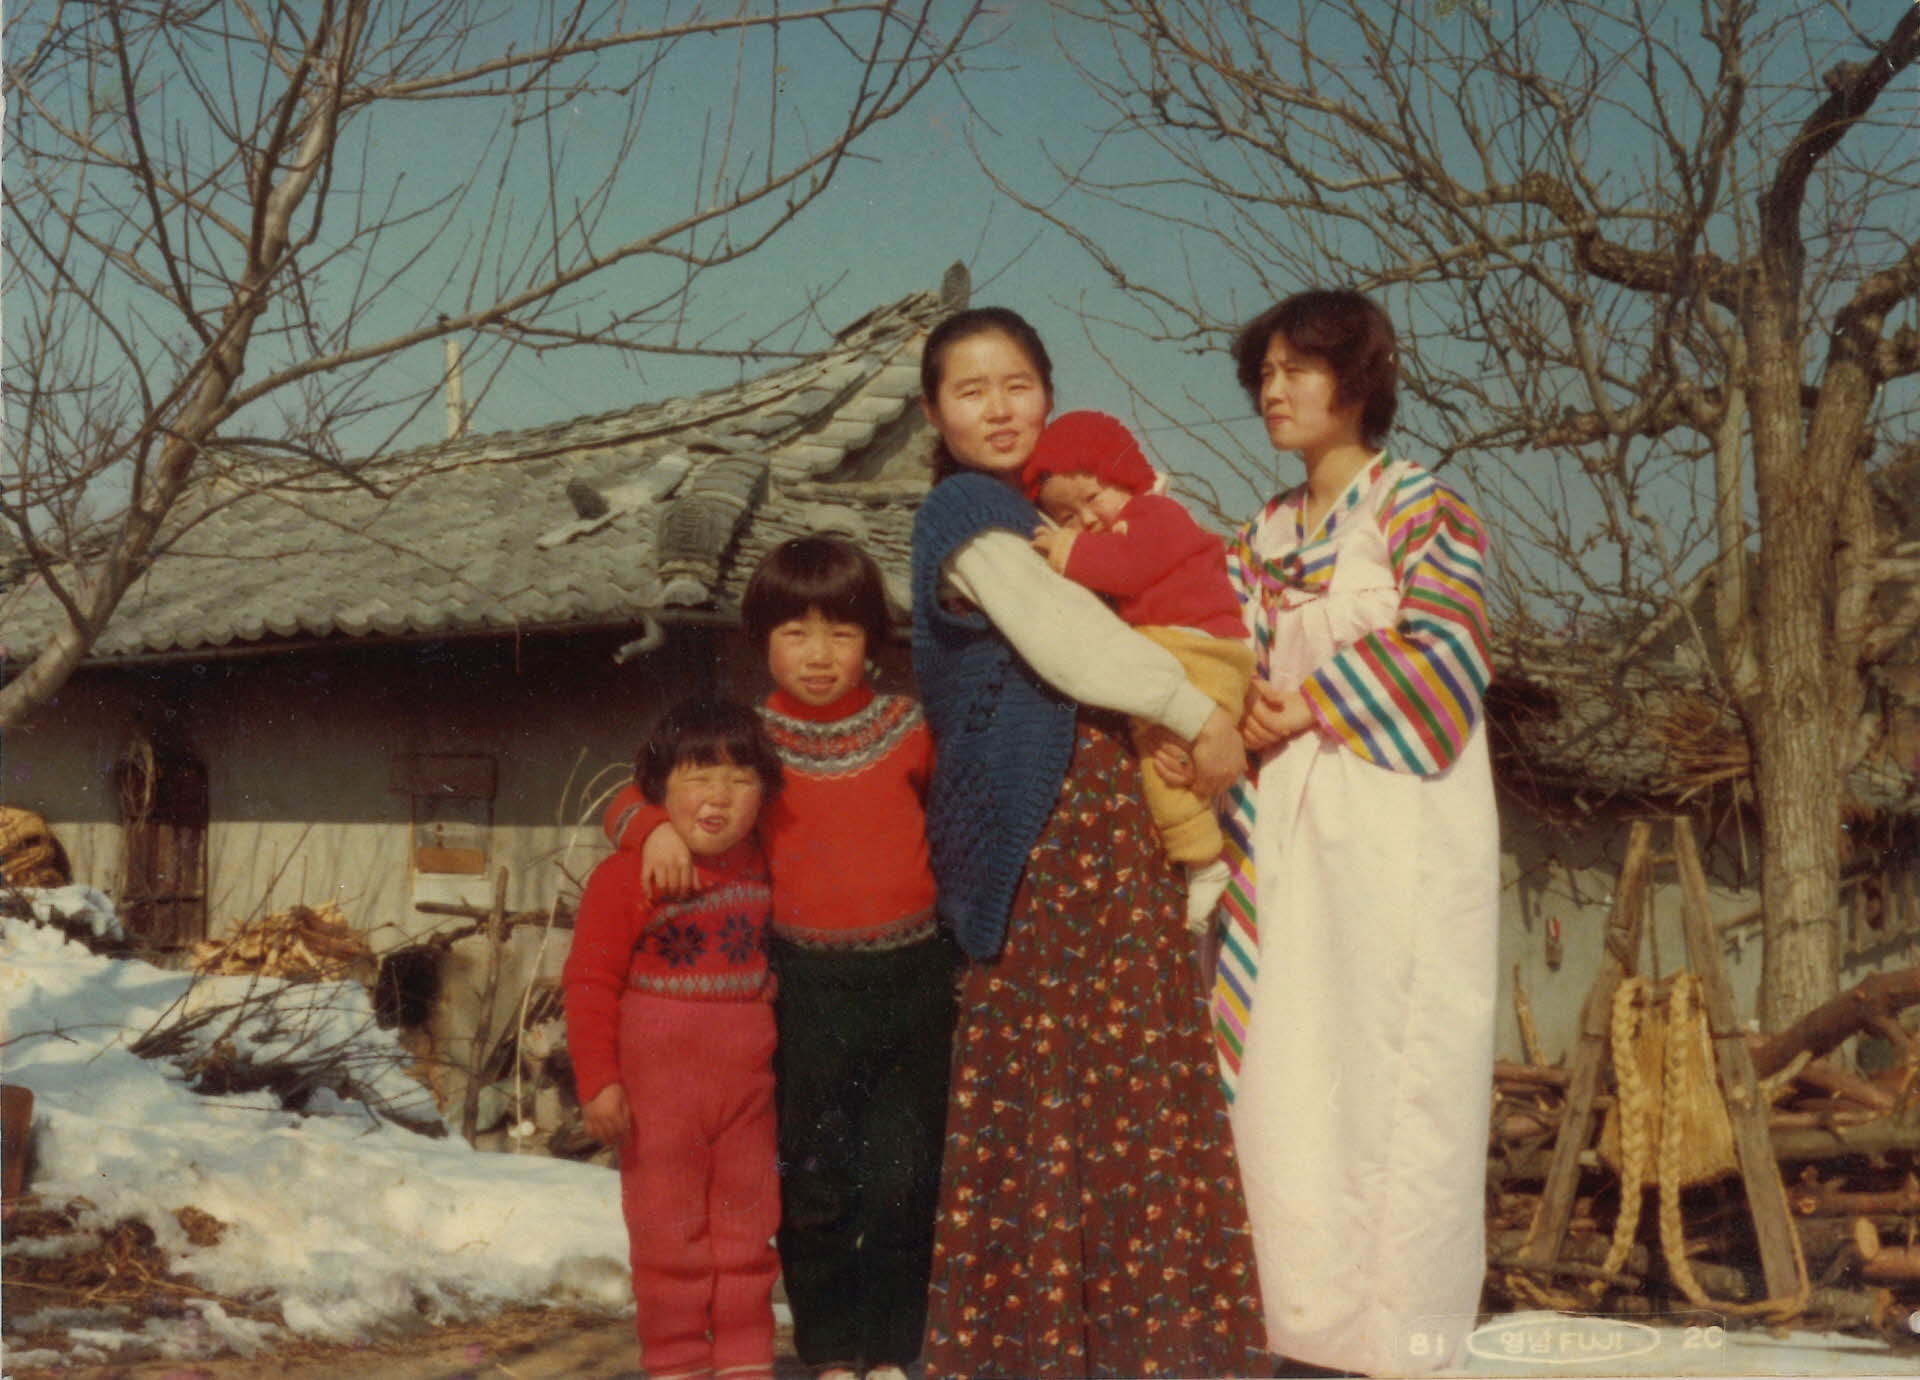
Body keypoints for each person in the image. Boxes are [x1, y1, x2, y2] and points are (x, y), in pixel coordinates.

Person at [910, 305, 1269, 1379]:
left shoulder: (1060, 512)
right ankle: (1037, 1353)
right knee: (1055, 1087)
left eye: (1017, 384)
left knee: (1130, 1083)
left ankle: (1144, 1351)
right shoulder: (969, 514)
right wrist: (1197, 712)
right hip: (1042, 842)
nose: (998, 408)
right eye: (970, 390)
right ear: (934, 413)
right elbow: (1066, 639)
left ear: (1049, 394)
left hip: (1110, 832)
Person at [1186, 288, 1499, 1376]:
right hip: (1279, 824)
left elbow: (1448, 652)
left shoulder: (1420, 510)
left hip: (1394, 825)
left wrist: (1312, 702)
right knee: (1285, 1067)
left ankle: (1391, 1341)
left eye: (1299, 368)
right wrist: (1237, 709)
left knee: (1388, 1071)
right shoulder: (1255, 536)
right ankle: (1287, 1325)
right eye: (1264, 373)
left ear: (1359, 381)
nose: (1274, 391)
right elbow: (1215, 653)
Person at [603, 536, 952, 1380]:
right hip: (804, 988)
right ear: (762, 641)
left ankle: (891, 1352)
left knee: (902, 1182)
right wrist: (651, 830)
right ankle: (829, 1352)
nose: (819, 654)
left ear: (874, 640)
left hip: (914, 981)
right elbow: (626, 797)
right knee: (816, 1184)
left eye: (842, 632)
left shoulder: (910, 730)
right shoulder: (749, 741)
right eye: (795, 633)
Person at [562, 696, 785, 1380]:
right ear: (660, 790)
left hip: (746, 1096)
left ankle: (746, 1362)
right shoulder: (627, 876)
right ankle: (677, 1362)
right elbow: (589, 982)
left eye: (740, 779)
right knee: (668, 1236)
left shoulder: (766, 864)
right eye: (697, 777)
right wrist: (598, 1083)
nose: (719, 796)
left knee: (748, 1232)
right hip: (659, 1100)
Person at [1023, 409, 1256, 929]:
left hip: (1202, 648)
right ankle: (1199, 854)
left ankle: (1203, 859)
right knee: (1165, 758)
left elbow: (1124, 566)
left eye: (1093, 497)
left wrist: (1065, 550)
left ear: (1126, 476)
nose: (1086, 520)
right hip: (1182, 649)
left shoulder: (1156, 513)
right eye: (1067, 516)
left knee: (1165, 762)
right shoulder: (1124, 525)